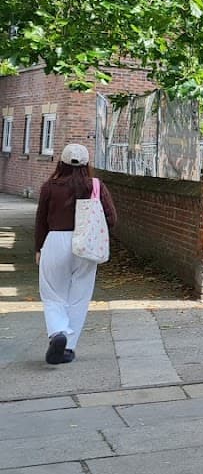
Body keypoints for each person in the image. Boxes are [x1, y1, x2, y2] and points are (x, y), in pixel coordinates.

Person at [35, 143, 116, 364]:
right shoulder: (95, 186)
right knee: (79, 296)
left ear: (61, 162)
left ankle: (57, 332)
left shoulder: (49, 187)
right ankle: (68, 348)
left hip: (55, 240)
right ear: (86, 164)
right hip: (86, 245)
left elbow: (41, 220)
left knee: (52, 293)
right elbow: (112, 218)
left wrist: (38, 248)